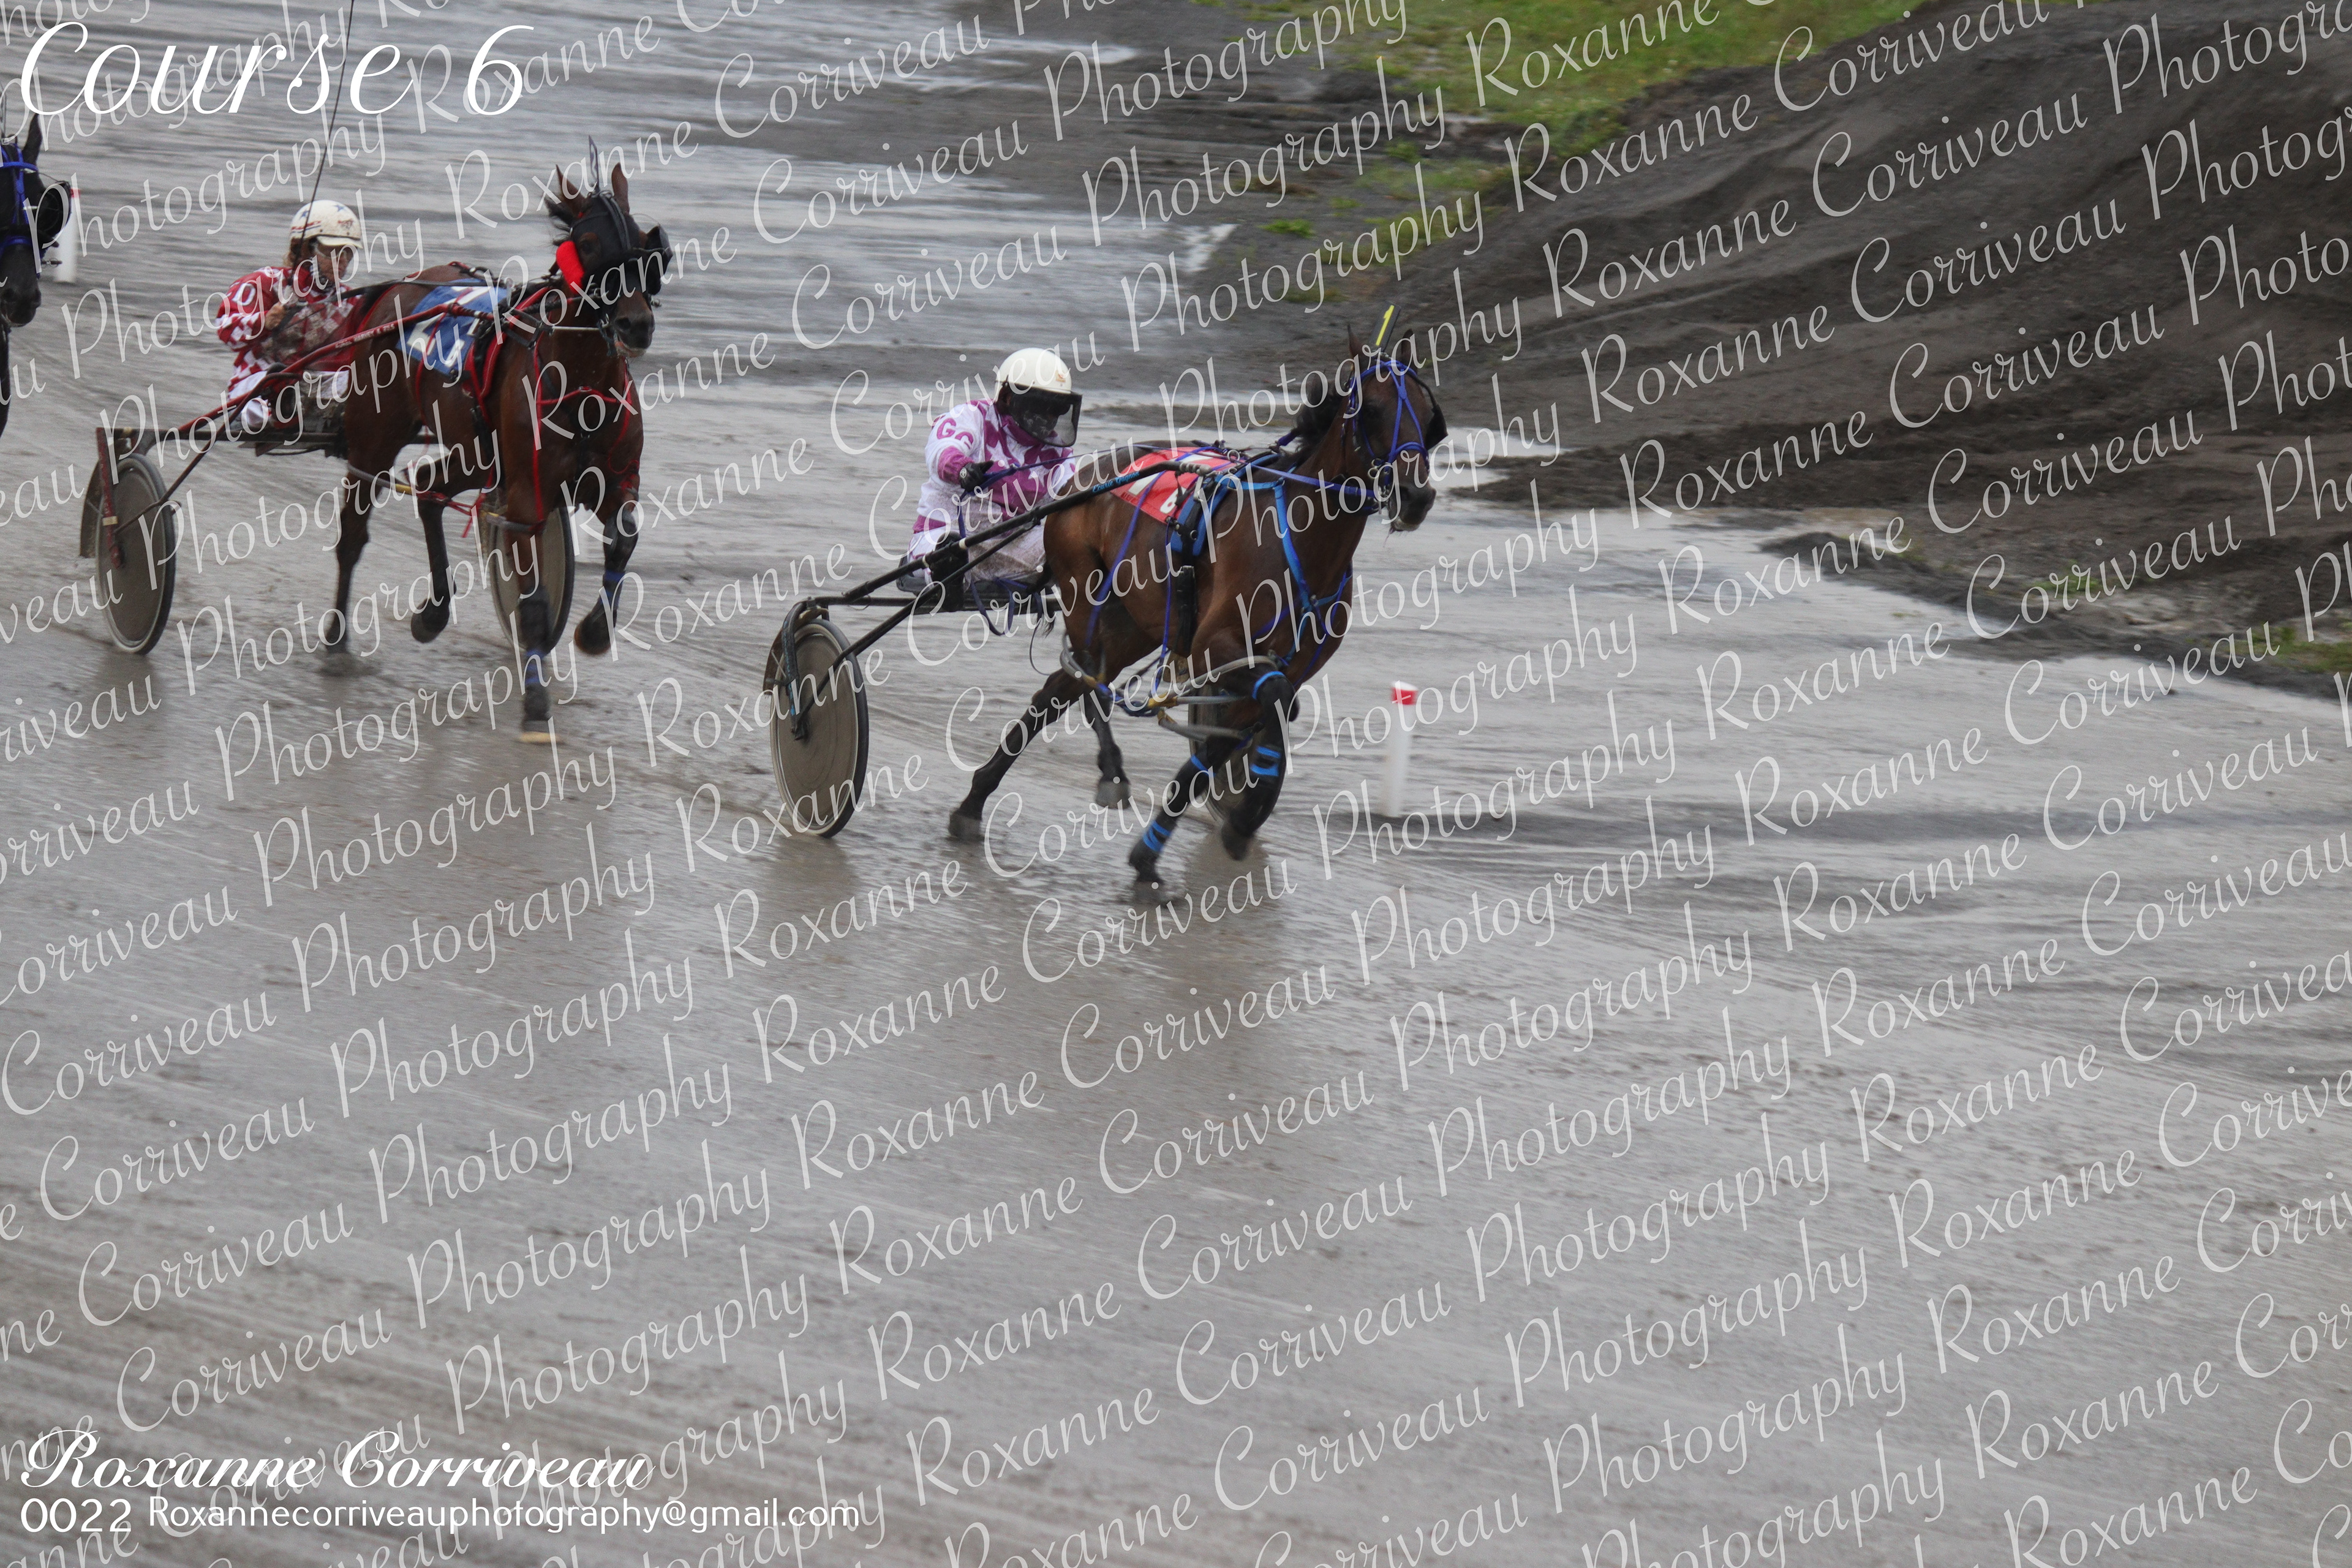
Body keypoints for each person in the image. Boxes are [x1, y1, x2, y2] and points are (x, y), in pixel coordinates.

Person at [903, 348, 1082, 598]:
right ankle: (945, 575)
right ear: (1008, 397)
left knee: (1079, 542)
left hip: (1012, 548)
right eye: (1043, 405)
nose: (1050, 416)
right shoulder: (971, 417)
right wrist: (962, 469)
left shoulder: (1059, 453)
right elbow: (941, 451)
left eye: (1059, 408)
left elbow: (1073, 494)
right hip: (946, 538)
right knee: (951, 554)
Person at [214, 200, 366, 440]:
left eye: (348, 252)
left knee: (364, 382)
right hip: (257, 381)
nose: (343, 261)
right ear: (304, 249)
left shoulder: (351, 301)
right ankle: (275, 410)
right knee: (270, 388)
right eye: (333, 252)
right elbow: (226, 329)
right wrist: (264, 322)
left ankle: (306, 412)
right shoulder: (265, 282)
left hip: (309, 385)